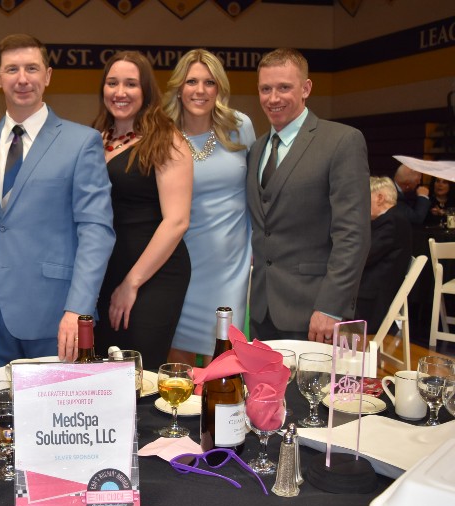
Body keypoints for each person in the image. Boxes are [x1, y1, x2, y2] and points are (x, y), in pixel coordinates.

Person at [0, 34, 115, 366]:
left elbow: (96, 231)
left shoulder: (82, 142)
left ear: (48, 75)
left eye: (31, 68)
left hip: (57, 317)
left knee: (57, 417)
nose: (22, 79)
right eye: (12, 69)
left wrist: (79, 309)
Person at [247, 48, 370, 343]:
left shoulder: (341, 141)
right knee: (265, 391)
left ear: (306, 89)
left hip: (316, 313)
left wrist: (331, 307)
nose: (273, 98)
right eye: (266, 89)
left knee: (312, 392)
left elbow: (353, 234)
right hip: (261, 311)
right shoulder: (256, 149)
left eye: (284, 87)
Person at [90, 51, 192, 369]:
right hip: (105, 272)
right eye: (112, 83)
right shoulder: (96, 138)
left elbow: (177, 221)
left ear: (146, 90)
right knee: (105, 370)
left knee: (140, 371)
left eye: (131, 84)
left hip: (153, 276)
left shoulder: (167, 140)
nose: (120, 92)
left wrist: (131, 283)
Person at [162, 49, 256, 362]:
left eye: (209, 82)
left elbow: (256, 192)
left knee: (225, 364)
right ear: (178, 87)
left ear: (219, 89)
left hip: (230, 266)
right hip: (181, 264)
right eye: (191, 81)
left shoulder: (240, 126)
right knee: (178, 370)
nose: (200, 90)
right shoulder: (162, 134)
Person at [356, 176, 412, 334]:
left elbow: (363, 257)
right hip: (370, 294)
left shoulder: (392, 221)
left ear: (380, 198)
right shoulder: (392, 219)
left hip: (370, 301)